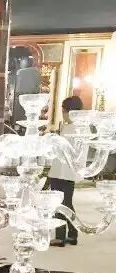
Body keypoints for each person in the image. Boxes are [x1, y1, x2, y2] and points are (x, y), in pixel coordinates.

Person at [47, 95, 83, 247]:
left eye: (63, 110)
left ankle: (60, 237)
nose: (62, 113)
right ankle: (73, 235)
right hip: (67, 172)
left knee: (59, 204)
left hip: (62, 172)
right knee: (67, 203)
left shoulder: (73, 128)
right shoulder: (76, 127)